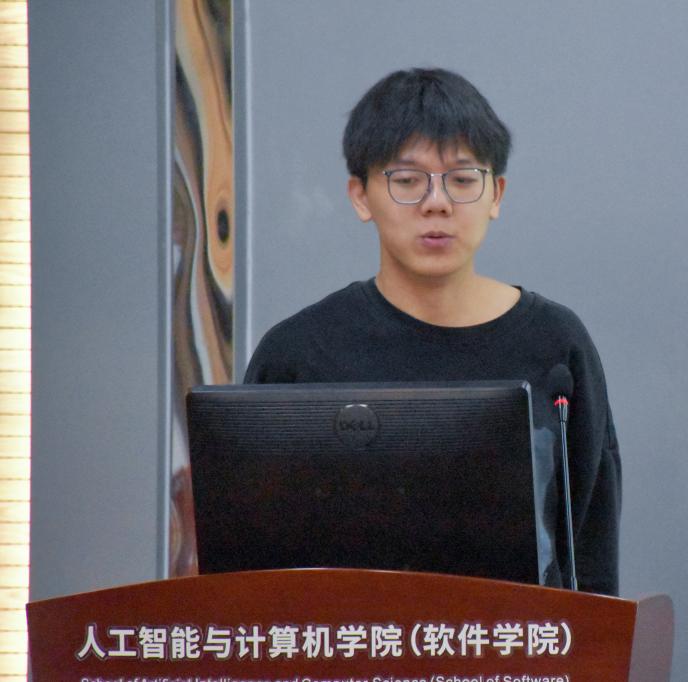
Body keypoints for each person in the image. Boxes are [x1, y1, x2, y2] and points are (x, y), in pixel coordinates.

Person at [244, 68, 620, 595]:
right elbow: (255, 566)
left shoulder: (556, 345)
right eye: (407, 180)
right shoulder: (298, 355)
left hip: (515, 642)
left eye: (463, 179)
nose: (436, 202)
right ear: (360, 196)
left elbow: (589, 545)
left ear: (496, 194)